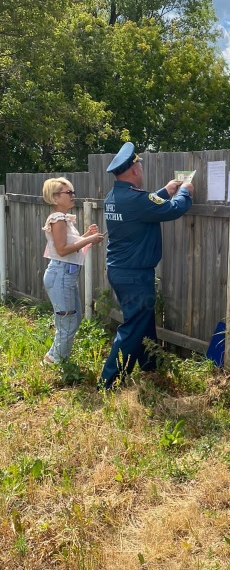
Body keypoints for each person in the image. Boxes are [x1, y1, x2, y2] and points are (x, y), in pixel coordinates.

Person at [98, 142, 193, 390]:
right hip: (134, 274)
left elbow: (143, 208)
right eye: (139, 165)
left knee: (143, 320)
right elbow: (174, 209)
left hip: (121, 270)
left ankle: (150, 368)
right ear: (134, 171)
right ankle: (109, 383)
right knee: (132, 328)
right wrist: (185, 191)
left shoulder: (114, 197)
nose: (141, 169)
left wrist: (165, 190)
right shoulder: (135, 199)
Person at [42, 178, 105, 364]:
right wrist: (89, 239)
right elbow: (62, 250)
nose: (73, 196)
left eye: (73, 192)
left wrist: (86, 235)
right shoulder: (58, 218)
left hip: (65, 275)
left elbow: (69, 245)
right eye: (68, 193)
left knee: (73, 319)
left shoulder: (64, 219)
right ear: (55, 197)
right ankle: (57, 363)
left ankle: (52, 358)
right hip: (61, 274)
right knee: (68, 321)